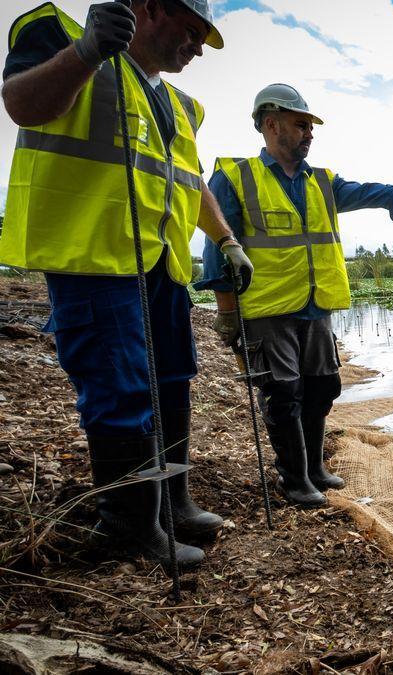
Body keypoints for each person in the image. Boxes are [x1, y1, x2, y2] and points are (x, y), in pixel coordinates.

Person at [0, 0, 251, 567]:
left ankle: (174, 503)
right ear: (150, 8)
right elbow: (21, 104)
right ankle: (129, 525)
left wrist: (228, 240)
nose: (195, 48)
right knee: (121, 389)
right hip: (93, 255)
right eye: (190, 31)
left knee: (173, 378)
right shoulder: (61, 36)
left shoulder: (179, 104)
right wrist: (88, 51)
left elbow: (190, 183)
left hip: (160, 262)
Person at [194, 83, 393, 508]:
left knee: (324, 386)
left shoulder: (322, 182)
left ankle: (314, 467)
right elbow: (215, 250)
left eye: (311, 127)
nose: (309, 134)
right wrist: (226, 314)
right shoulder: (236, 178)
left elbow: (371, 192)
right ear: (270, 124)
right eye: (301, 125)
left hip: (315, 308)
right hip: (266, 309)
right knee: (283, 392)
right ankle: (294, 480)